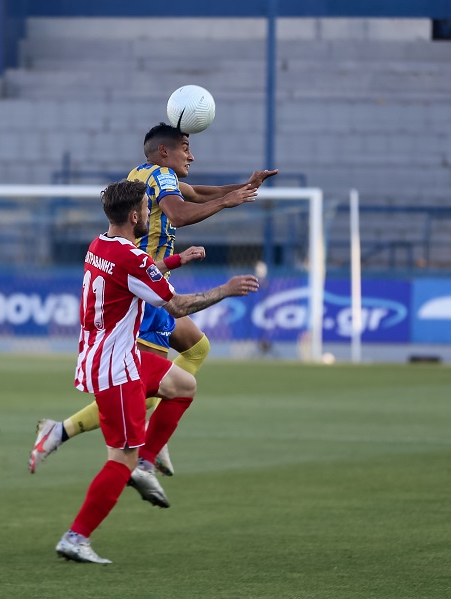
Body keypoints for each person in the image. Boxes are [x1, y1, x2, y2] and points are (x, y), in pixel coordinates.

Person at [31, 123, 277, 476]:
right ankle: (71, 433)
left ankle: (152, 444)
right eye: (185, 147)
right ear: (165, 152)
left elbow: (195, 192)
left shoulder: (143, 173)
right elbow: (179, 212)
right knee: (144, 388)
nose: (191, 155)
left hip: (152, 284)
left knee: (197, 348)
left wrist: (246, 186)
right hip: (144, 293)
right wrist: (227, 201)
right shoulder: (161, 177)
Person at [55, 180, 258, 563]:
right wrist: (227, 289)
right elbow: (178, 306)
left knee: (183, 384)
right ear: (135, 216)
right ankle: (76, 536)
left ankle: (148, 458)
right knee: (121, 460)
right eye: (149, 209)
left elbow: (135, 278)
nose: (152, 214)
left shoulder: (100, 245)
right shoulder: (133, 259)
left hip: (108, 355)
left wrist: (176, 261)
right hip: (117, 368)